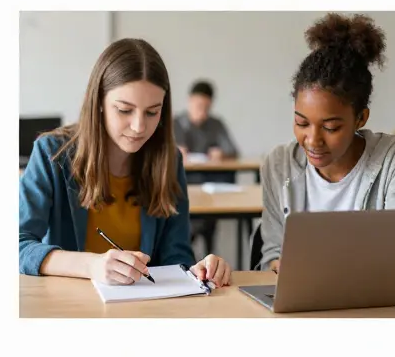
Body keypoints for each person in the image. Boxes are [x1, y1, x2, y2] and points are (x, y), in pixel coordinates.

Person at [18, 38, 232, 287]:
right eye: (124, 110)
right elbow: (19, 245)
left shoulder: (169, 162)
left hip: (143, 310)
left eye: (152, 112)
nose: (139, 126)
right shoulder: (52, 154)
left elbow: (177, 256)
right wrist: (92, 266)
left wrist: (200, 271)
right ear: (97, 102)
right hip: (71, 307)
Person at [257, 14, 395, 272]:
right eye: (301, 123)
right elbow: (271, 254)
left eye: (331, 127)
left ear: (360, 118)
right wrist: (278, 267)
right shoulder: (279, 164)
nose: (313, 140)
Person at [174, 80, 239, 256]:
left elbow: (233, 150)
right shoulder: (175, 123)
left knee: (207, 219)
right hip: (183, 187)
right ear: (189, 101)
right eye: (198, 106)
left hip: (210, 188)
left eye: (206, 107)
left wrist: (221, 154)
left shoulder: (215, 124)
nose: (202, 112)